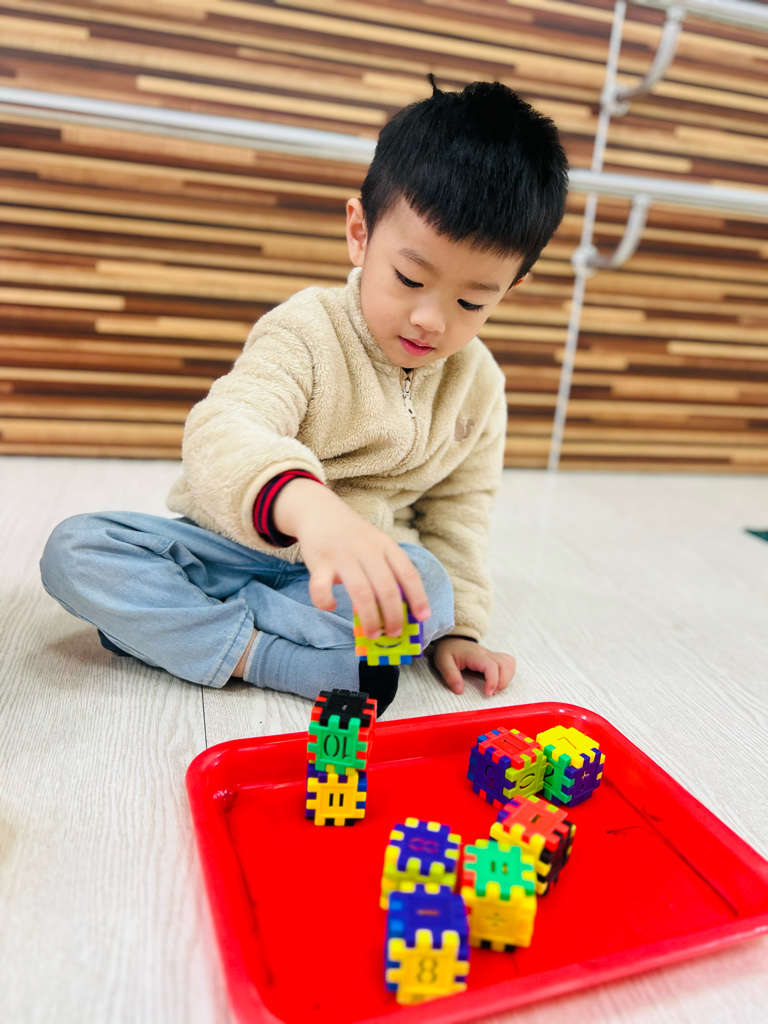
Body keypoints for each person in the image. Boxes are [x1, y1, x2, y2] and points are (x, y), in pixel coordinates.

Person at [40, 75, 568, 716]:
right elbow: (224, 427)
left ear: (510, 289)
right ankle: (268, 655)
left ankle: (174, 628)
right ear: (360, 234)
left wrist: (460, 633)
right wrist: (310, 509)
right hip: (227, 547)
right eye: (409, 279)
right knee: (76, 550)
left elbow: (460, 514)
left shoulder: (479, 387)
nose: (431, 319)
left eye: (471, 302)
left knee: (427, 587)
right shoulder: (305, 330)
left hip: (341, 583)